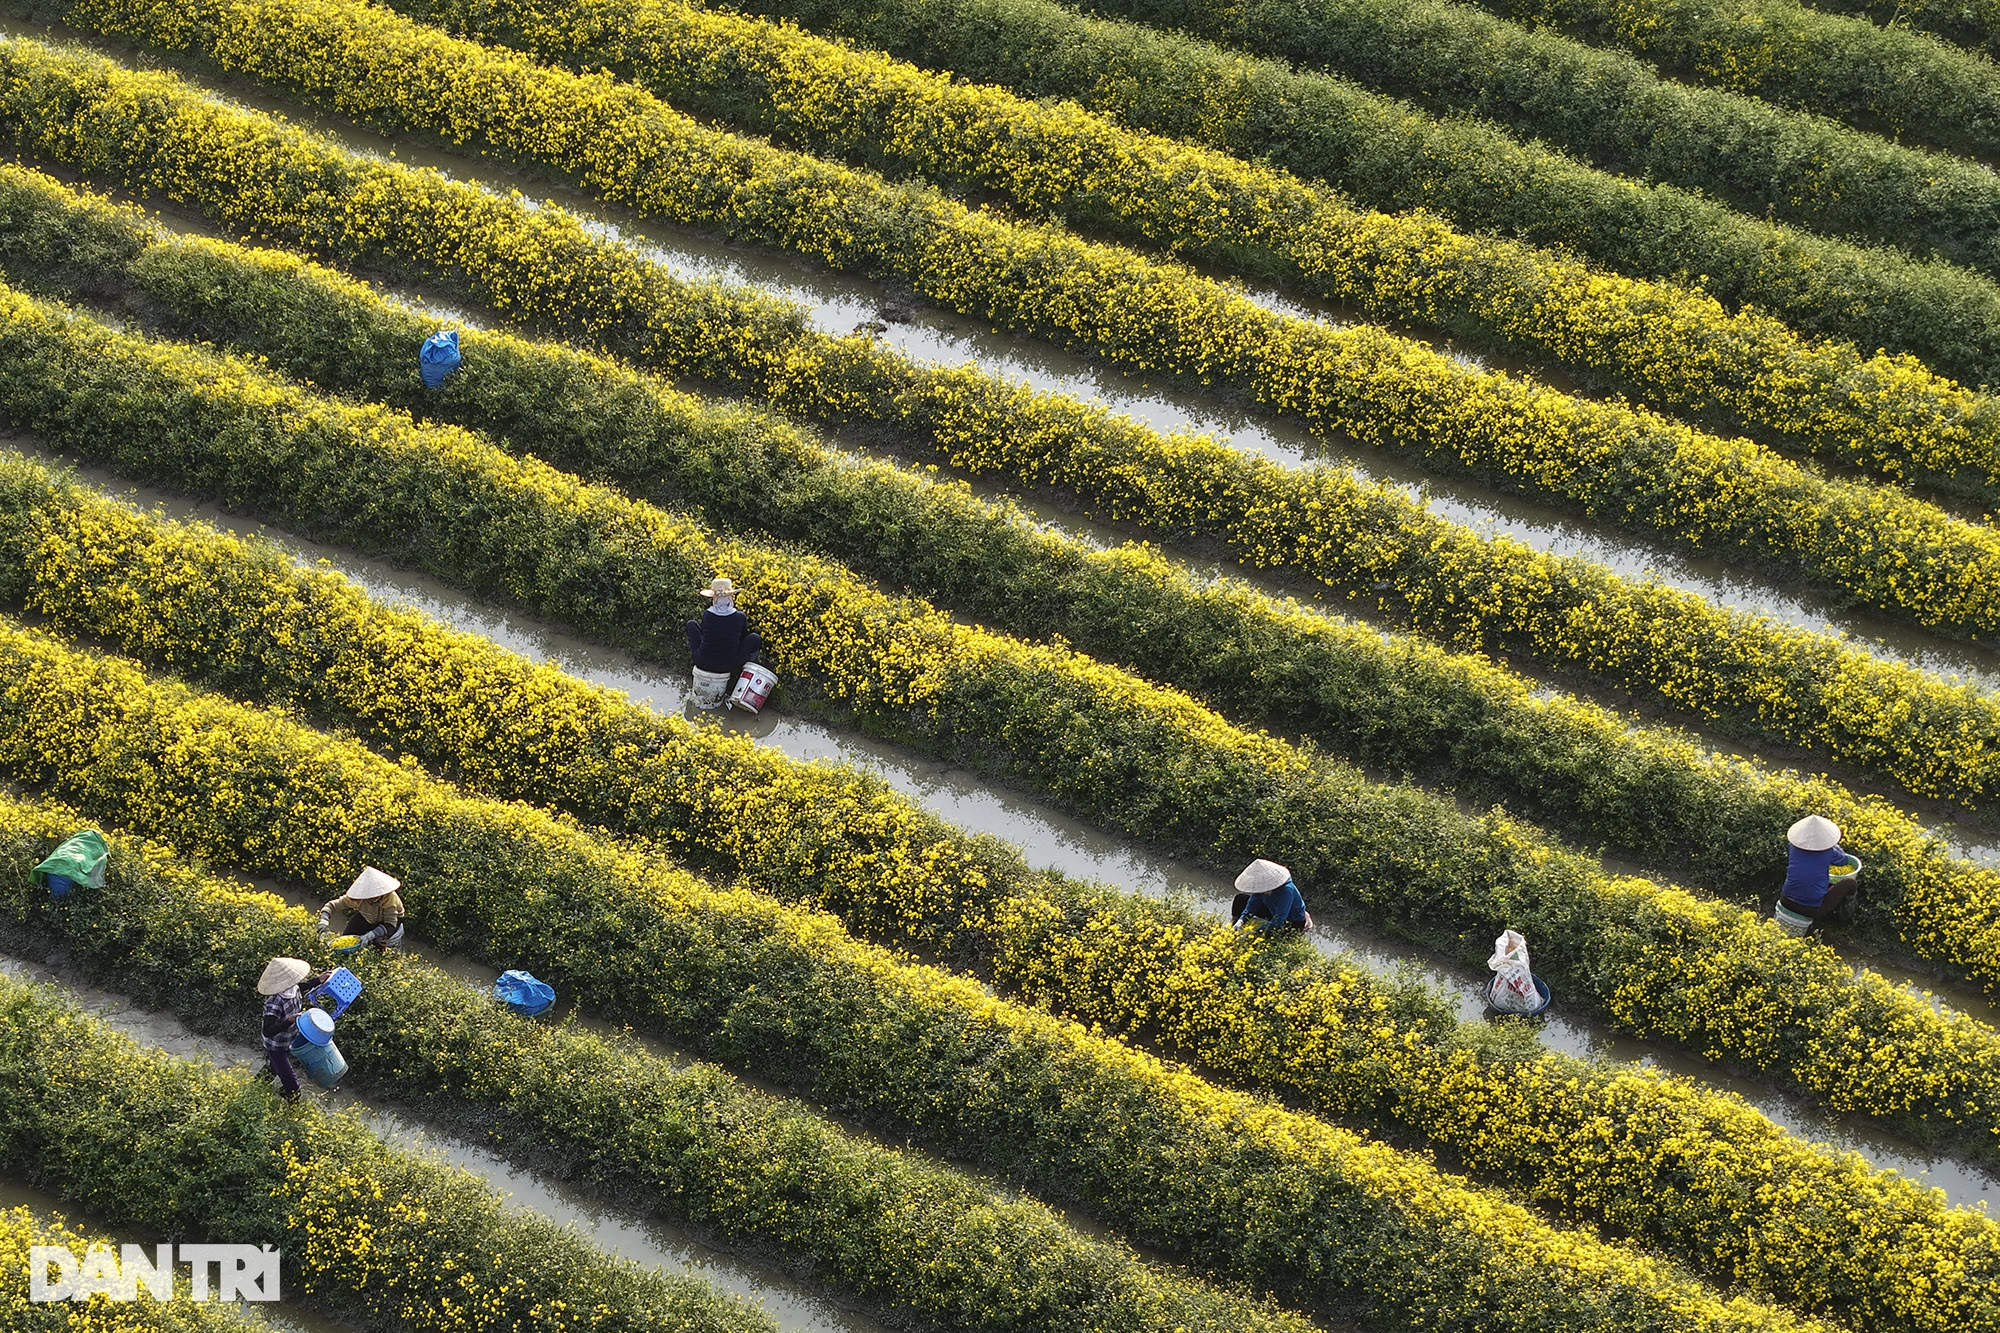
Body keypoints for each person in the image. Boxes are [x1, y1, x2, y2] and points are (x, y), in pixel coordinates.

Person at [257, 955, 328, 1103]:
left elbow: (299, 987)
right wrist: (288, 1021)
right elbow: (267, 1030)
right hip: (276, 1046)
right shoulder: (275, 1000)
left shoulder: (292, 987)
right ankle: (293, 1112)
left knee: (274, 1068)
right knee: (293, 1086)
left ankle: (256, 1089)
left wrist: (317, 980)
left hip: (288, 1039)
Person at [1780, 814, 1858, 920]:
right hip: (1810, 909)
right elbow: (1844, 861)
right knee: (1850, 883)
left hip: (1785, 899)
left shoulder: (1792, 847)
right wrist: (1833, 844)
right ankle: (1846, 917)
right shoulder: (1829, 852)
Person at [686, 576, 762, 682]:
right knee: (754, 638)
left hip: (702, 661)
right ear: (730, 597)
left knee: (692, 624)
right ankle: (747, 669)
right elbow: (743, 637)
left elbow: (704, 633)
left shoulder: (707, 614)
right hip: (728, 665)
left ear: (714, 598)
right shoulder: (740, 617)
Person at [318, 866, 407, 952]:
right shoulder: (358, 898)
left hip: (391, 925)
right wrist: (323, 923)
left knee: (380, 945)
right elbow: (331, 906)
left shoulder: (389, 898)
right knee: (347, 940)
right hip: (368, 918)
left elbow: (390, 923)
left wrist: (371, 935)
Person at [1230, 858, 1312, 931]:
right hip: (1272, 910)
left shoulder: (1286, 891)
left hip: (1289, 920)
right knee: (1241, 899)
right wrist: (1242, 920)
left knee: (1272, 931)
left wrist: (1255, 932)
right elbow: (1252, 904)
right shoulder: (1260, 889)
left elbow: (1279, 920)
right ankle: (1235, 927)